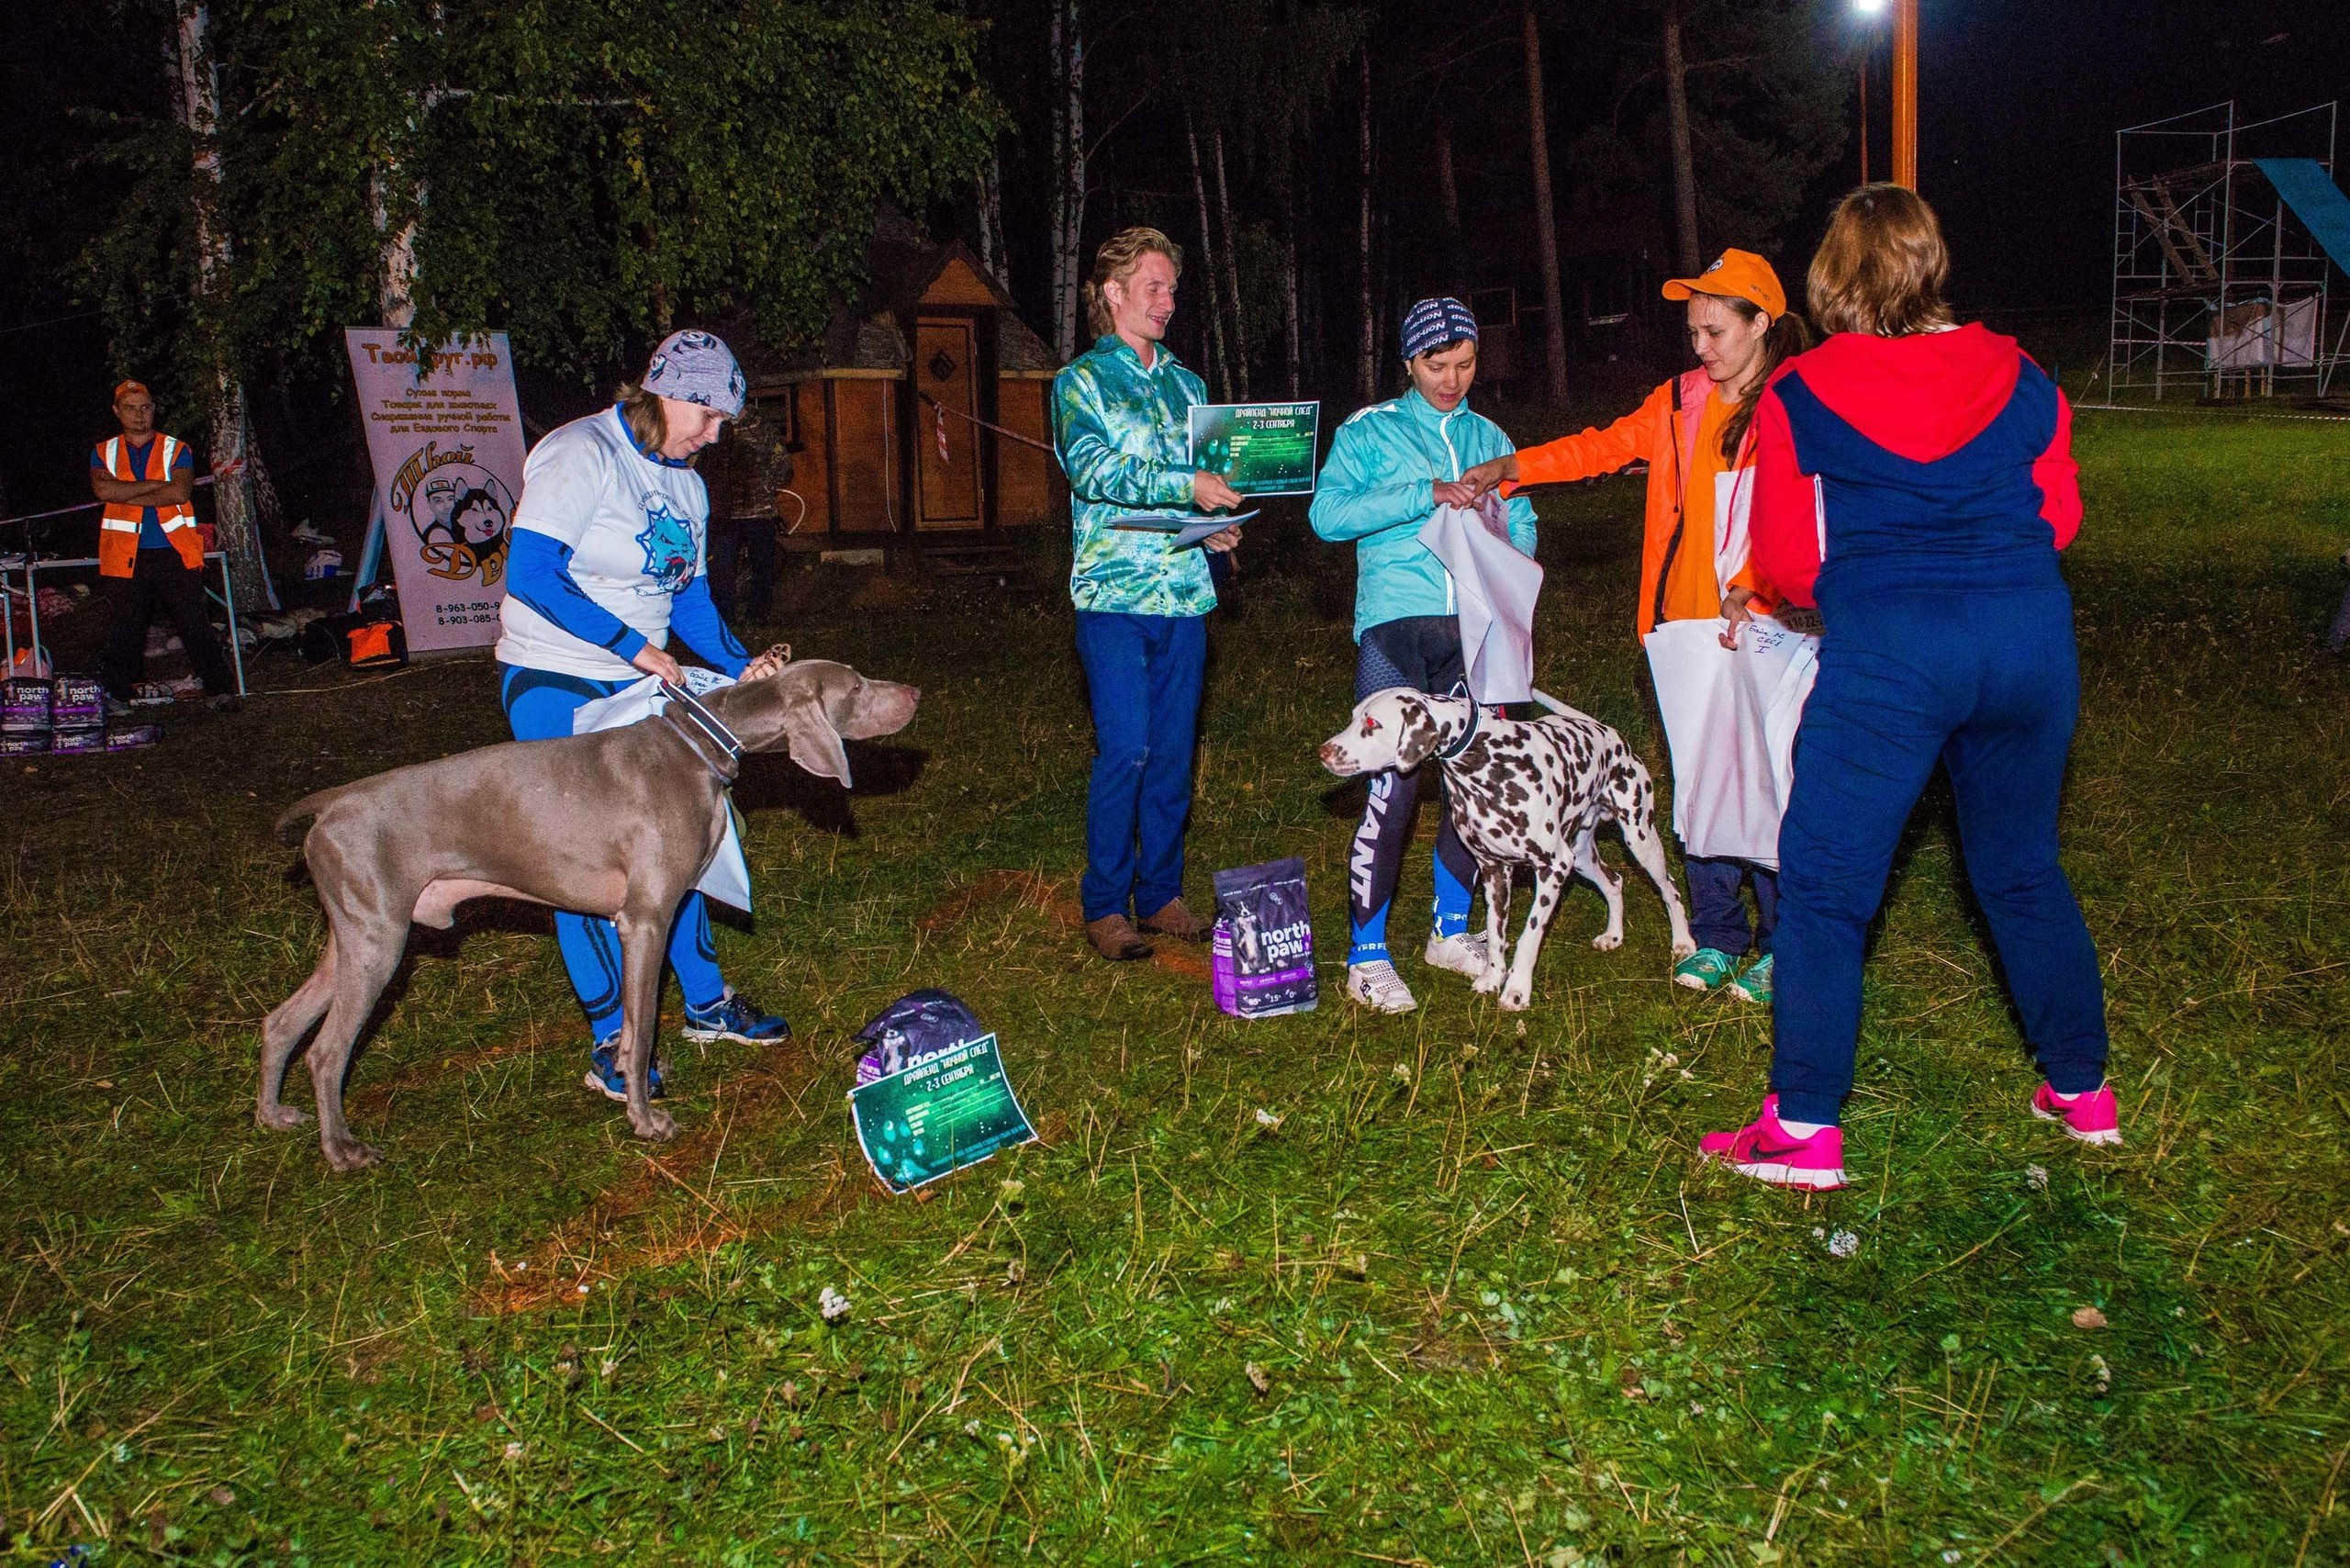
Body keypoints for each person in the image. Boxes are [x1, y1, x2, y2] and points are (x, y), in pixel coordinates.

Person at [1698, 185, 2116, 1191]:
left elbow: (1789, 562)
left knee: (1830, 890)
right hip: (2026, 644)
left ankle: (1801, 1127)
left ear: (1832, 279)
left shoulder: (1801, 391)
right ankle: (2081, 1092)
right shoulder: (2025, 375)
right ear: (1930, 262)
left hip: (1891, 652)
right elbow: (2059, 516)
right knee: (2019, 869)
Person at [1463, 250, 1811, 1006]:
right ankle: (1719, 936)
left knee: (1776, 785)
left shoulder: (1798, 403)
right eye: (1694, 332)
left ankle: (1789, 944)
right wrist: (1513, 466)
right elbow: (1603, 446)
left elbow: (1814, 518)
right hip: (1682, 628)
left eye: (1716, 331)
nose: (1702, 347)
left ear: (1762, 324)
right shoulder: (1681, 401)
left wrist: (1760, 588)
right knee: (1699, 786)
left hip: (1771, 628)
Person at [493, 329, 792, 1103]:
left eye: (724, 421)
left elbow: (685, 593)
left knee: (685, 836)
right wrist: (633, 647)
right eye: (709, 415)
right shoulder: (580, 453)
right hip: (556, 676)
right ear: (669, 392)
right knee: (589, 862)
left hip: (639, 682)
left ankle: (706, 1003)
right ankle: (612, 1040)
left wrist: (738, 663)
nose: (715, 435)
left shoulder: (685, 483)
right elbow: (529, 572)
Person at [1310, 297, 1537, 1013]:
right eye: (1437, 365)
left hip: (1475, 631)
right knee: (1393, 787)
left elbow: (1524, 520)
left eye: (1466, 363)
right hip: (1397, 630)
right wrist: (1421, 494)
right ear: (1408, 362)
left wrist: (1506, 553)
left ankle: (1450, 929)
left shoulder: (1491, 434)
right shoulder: (1370, 431)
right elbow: (1327, 514)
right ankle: (1367, 956)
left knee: (1473, 784)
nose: (1453, 378)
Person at [1052, 227, 1242, 962]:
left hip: (1185, 598)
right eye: (1154, 286)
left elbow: (1206, 491)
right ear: (1114, 292)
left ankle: (1160, 894)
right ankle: (1105, 902)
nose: (1168, 300)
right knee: (1125, 746)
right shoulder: (1079, 383)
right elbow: (1093, 471)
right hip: (1112, 598)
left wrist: (1216, 527)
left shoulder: (1189, 386)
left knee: (1170, 751)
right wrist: (1183, 485)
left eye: (1171, 288)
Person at [90, 381, 239, 712]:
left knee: (193, 623)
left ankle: (219, 689)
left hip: (174, 551)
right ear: (117, 411)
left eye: (145, 407)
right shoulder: (103, 451)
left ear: (154, 408)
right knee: (126, 628)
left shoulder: (176, 447)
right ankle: (117, 695)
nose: (139, 414)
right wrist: (158, 485)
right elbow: (103, 492)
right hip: (126, 554)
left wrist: (127, 490)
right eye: (130, 407)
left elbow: (179, 493)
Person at [699, 399, 793, 622]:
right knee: (722, 569)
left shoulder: (762, 427)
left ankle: (757, 616)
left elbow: (784, 466)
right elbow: (703, 467)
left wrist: (765, 485)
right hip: (724, 514)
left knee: (762, 566)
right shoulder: (715, 429)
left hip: (757, 512)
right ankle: (724, 618)